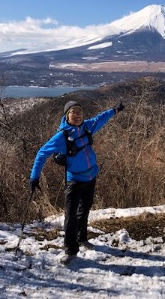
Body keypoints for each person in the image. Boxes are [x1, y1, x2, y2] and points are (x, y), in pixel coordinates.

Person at [29, 100, 124, 264]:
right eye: (74, 112)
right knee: (71, 215)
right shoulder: (62, 136)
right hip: (74, 180)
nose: (78, 115)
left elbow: (101, 118)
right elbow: (41, 154)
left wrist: (114, 111)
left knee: (84, 210)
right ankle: (70, 249)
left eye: (80, 112)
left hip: (90, 177)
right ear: (67, 115)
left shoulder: (87, 126)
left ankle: (82, 239)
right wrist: (34, 177)